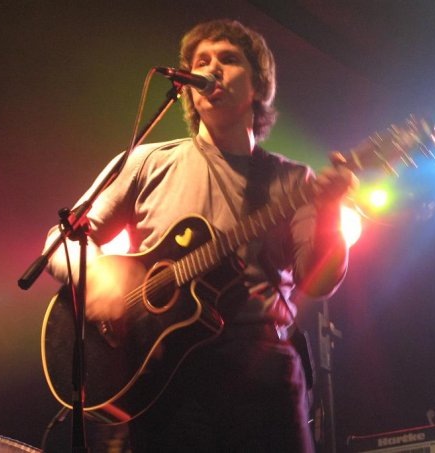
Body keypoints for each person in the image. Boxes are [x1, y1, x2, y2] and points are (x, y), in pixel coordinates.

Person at [44, 18, 357, 452]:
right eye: (201, 61)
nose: (211, 69)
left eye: (228, 59)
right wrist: (95, 275)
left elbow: (318, 281)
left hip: (263, 370)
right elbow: (60, 240)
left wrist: (330, 211)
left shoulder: (293, 180)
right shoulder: (146, 162)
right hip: (165, 376)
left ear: (258, 86)